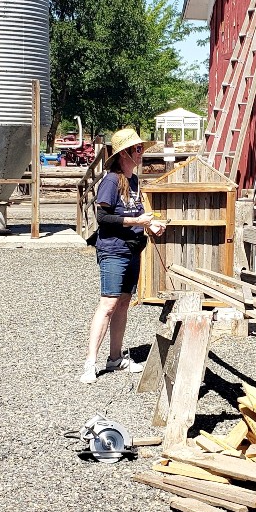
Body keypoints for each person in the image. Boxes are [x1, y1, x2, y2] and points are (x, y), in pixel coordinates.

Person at [80, 127, 166, 384]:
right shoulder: (110, 180)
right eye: (137, 149)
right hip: (113, 250)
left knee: (124, 303)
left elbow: (136, 214)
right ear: (124, 153)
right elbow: (103, 217)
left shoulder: (135, 181)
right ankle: (90, 363)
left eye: (141, 148)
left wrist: (149, 225)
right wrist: (136, 220)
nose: (141, 153)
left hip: (132, 249)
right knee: (107, 304)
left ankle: (115, 358)